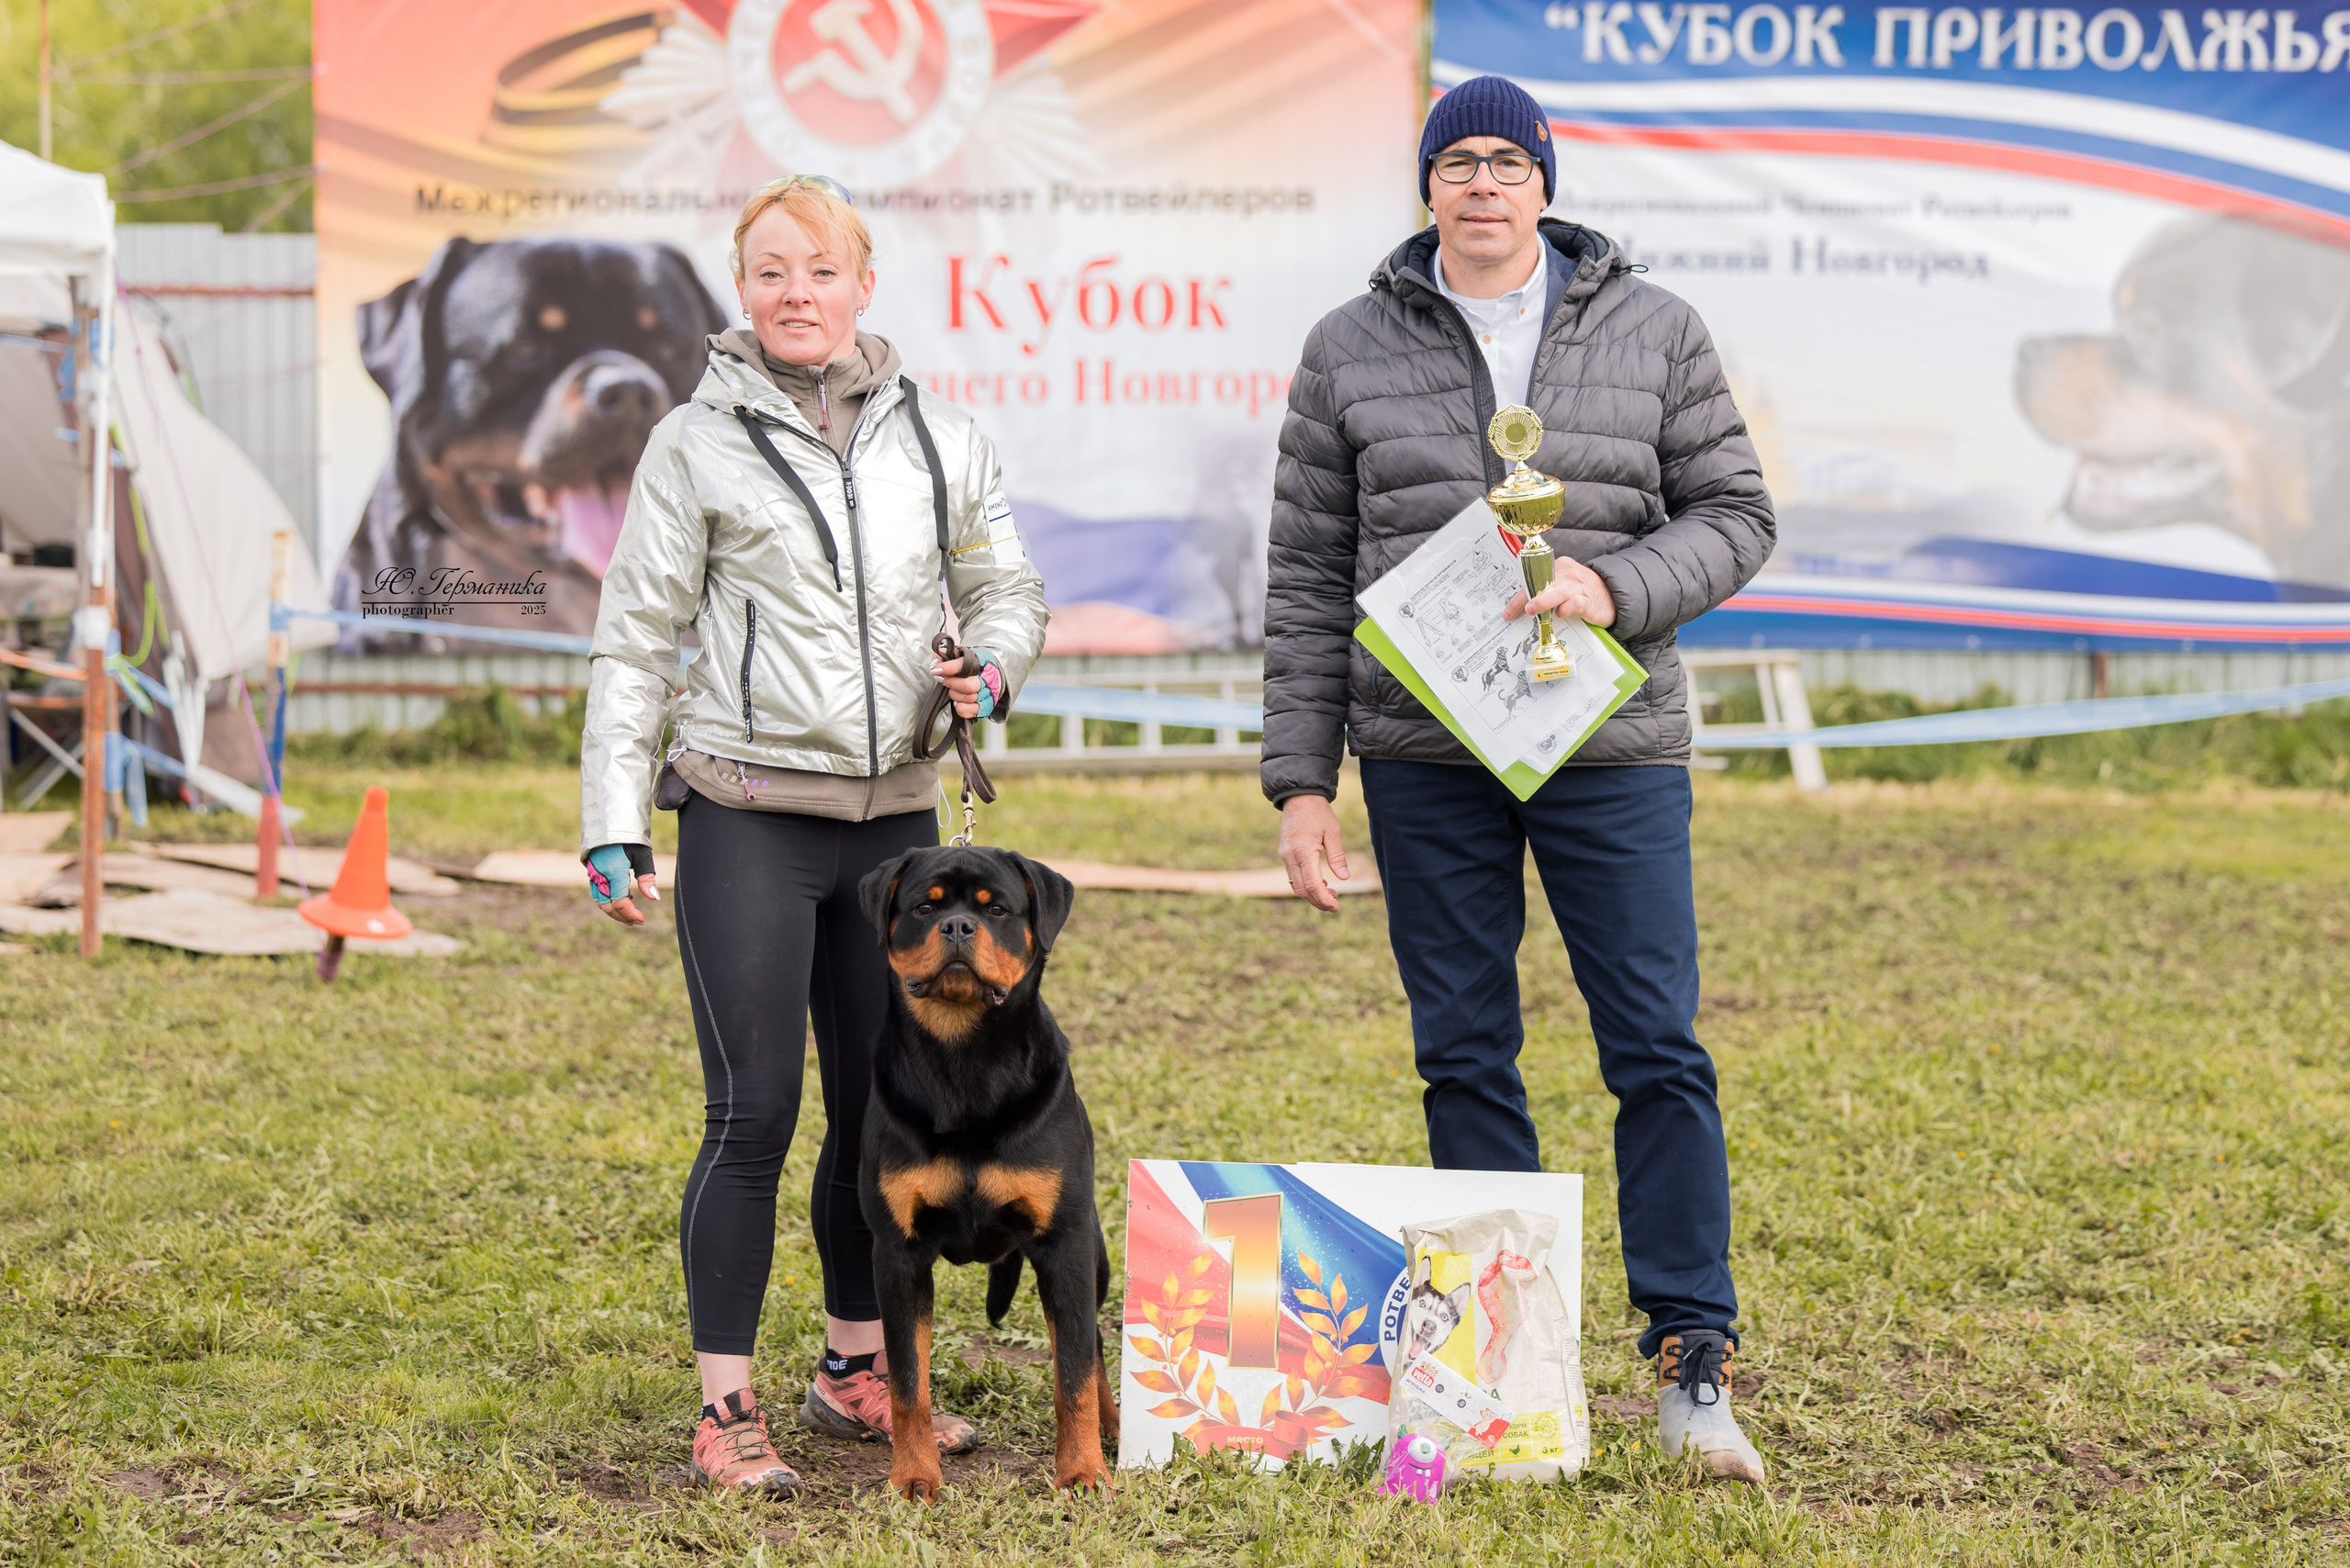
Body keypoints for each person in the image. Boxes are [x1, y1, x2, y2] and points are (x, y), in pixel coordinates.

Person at [1261, 75, 1775, 1483]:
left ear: (1544, 182)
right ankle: (1496, 1368)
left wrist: (1622, 586)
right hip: (1426, 757)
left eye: (1506, 160)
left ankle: (1692, 1361)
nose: (1481, 183)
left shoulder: (1653, 328)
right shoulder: (1348, 345)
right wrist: (1303, 781)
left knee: (1657, 1048)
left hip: (1609, 750)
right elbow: (1308, 574)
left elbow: (1739, 514)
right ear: (1427, 186)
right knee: (1464, 1053)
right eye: (1456, 162)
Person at [577, 176, 1049, 1495]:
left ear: (863, 284)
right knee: (756, 1110)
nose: (797, 293)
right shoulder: (694, 441)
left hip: (896, 829)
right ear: (745, 289)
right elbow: (633, 637)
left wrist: (993, 670)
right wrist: (613, 819)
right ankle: (725, 1408)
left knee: (875, 1116)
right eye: (771, 271)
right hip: (746, 817)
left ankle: (857, 1369)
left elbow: (1005, 584)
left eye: (821, 270)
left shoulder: (942, 435)